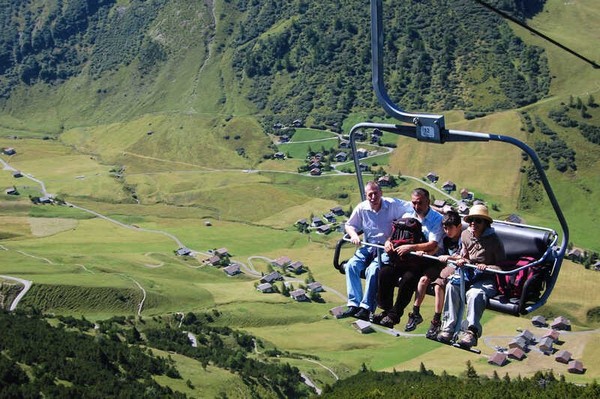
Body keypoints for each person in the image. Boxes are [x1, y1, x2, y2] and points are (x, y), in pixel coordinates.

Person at [339, 181, 412, 320]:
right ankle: (354, 304)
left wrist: (397, 230)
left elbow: (411, 208)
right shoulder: (362, 208)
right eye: (370, 195)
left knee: (373, 270)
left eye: (375, 193)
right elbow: (349, 225)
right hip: (368, 245)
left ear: (381, 193)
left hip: (385, 248)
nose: (373, 197)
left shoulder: (391, 204)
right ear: (366, 196)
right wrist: (354, 235)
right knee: (351, 266)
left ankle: (366, 307)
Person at [436, 204, 506, 348]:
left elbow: (502, 267)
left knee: (474, 294)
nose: (473, 223)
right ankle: (448, 328)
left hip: (486, 278)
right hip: (469, 273)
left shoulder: (494, 241)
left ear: (485, 223)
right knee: (451, 286)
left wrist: (487, 267)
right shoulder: (465, 234)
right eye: (471, 220)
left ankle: (471, 332)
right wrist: (462, 260)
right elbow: (465, 255)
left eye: (478, 221)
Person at [374, 188, 444, 328]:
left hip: (425, 259)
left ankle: (395, 315)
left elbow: (433, 243)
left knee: (409, 279)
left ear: (428, 202)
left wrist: (411, 248)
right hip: (404, 258)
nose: (416, 207)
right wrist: (388, 242)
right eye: (414, 203)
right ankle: (386, 310)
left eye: (420, 203)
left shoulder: (436, 220)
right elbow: (395, 233)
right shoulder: (408, 215)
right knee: (384, 272)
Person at [410, 210, 463, 338]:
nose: (447, 231)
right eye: (445, 228)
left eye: (450, 228)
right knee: (423, 280)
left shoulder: (463, 239)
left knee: (438, 285)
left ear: (459, 227)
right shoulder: (446, 239)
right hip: (442, 264)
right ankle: (415, 312)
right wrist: (426, 254)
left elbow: (463, 257)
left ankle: (436, 320)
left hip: (455, 267)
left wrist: (450, 258)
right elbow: (437, 249)